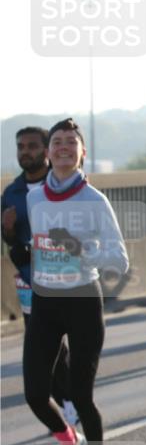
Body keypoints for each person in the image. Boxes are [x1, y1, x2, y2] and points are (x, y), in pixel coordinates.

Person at [24, 118, 129, 445]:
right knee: (36, 394)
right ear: (48, 153)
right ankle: (69, 439)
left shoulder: (94, 200)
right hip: (45, 302)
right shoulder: (33, 196)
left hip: (83, 299)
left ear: (82, 153)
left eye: (72, 142)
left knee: (82, 395)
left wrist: (79, 249)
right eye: (57, 142)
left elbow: (120, 261)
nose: (64, 147)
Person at [2, 127, 74, 425]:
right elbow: (11, 243)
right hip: (29, 283)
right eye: (21, 147)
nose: (25, 152)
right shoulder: (11, 193)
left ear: (46, 151)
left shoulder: (61, 185)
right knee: (43, 348)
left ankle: (73, 401)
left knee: (58, 347)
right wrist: (6, 230)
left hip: (65, 280)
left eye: (32, 146)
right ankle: (66, 405)